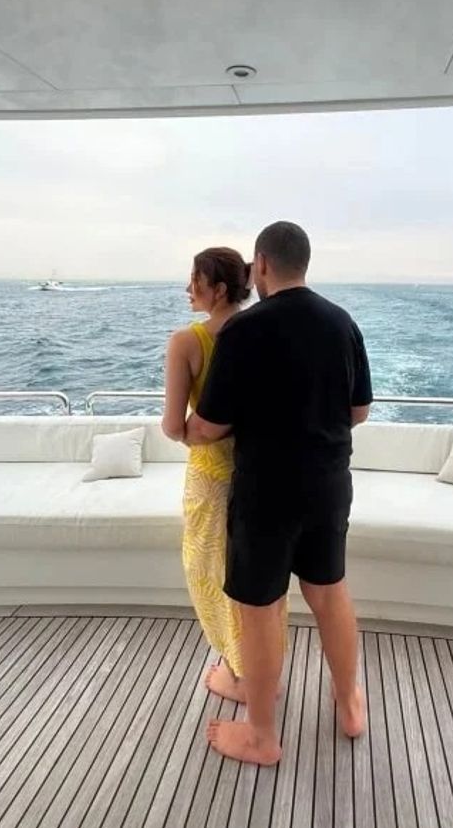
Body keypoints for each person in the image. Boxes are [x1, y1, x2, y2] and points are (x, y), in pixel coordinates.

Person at [185, 221, 373, 765]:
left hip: (266, 493)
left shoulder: (243, 330)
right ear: (303, 263)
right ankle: (349, 703)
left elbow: (211, 425)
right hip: (329, 485)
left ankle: (262, 737)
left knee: (261, 610)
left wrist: (184, 430)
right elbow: (359, 411)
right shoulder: (342, 322)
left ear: (261, 264)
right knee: (329, 593)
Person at [162, 247, 263, 701]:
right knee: (255, 577)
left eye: (195, 280)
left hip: (211, 478)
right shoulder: (263, 331)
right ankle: (258, 666)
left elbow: (173, 427)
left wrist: (200, 433)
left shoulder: (188, 342)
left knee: (211, 574)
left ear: (218, 289)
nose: (188, 288)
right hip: (260, 472)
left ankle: (242, 677)